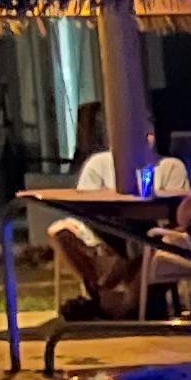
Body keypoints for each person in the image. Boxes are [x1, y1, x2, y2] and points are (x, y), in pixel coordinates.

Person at [43, 101, 146, 319]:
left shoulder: (159, 163)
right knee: (59, 231)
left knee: (135, 239)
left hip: (140, 227)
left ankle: (108, 295)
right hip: (100, 225)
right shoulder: (97, 164)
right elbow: (85, 205)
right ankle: (99, 291)